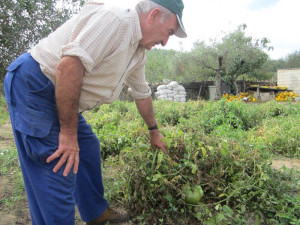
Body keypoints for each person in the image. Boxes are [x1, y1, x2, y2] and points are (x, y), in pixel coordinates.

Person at [3, 0, 187, 224]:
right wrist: (68, 134)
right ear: (154, 15)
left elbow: (141, 92)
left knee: (88, 147)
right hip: (36, 84)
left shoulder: (137, 52)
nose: (166, 42)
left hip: (62, 91)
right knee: (58, 166)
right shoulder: (116, 21)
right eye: (168, 32)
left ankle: (95, 212)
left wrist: (154, 131)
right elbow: (69, 66)